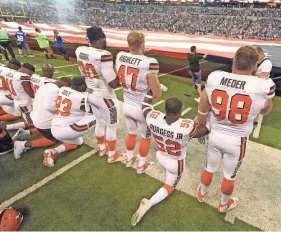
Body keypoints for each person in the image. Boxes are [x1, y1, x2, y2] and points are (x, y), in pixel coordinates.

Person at [196, 46, 275, 212]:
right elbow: (265, 110)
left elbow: (204, 100)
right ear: (254, 66)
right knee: (229, 175)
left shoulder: (215, 77)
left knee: (209, 167)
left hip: (215, 134)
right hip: (237, 141)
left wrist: (201, 122)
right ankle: (223, 204)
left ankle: (201, 193)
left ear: (233, 61)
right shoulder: (263, 85)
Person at [131, 94, 209, 226]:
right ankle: (149, 203)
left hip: (160, 155)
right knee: (169, 186)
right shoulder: (187, 126)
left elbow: (144, 106)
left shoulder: (153, 118)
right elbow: (206, 129)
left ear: (165, 109)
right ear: (179, 111)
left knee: (168, 172)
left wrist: (150, 91)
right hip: (175, 163)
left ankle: (149, 203)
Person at [75, 26, 124, 163]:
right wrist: (123, 79)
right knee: (112, 125)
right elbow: (113, 84)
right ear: (101, 39)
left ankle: (102, 147)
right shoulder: (104, 55)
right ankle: (112, 155)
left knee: (100, 122)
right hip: (105, 96)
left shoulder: (80, 50)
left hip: (90, 93)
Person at [115, 31, 162, 174]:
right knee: (146, 137)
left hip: (126, 104)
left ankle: (129, 158)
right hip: (142, 107)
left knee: (131, 132)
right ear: (142, 44)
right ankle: (142, 165)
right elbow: (157, 94)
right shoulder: (150, 63)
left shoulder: (120, 56)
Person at [13, 77, 75, 160]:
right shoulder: (55, 90)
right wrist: (61, 110)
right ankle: (23, 145)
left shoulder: (46, 86)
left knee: (53, 129)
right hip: (44, 122)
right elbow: (49, 106)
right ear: (65, 84)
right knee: (66, 140)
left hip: (37, 118)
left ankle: (26, 133)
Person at [48, 77, 96, 167]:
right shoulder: (81, 98)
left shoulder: (63, 89)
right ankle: (102, 140)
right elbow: (93, 109)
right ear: (82, 85)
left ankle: (53, 151)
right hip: (67, 129)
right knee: (98, 115)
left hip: (54, 127)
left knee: (78, 142)